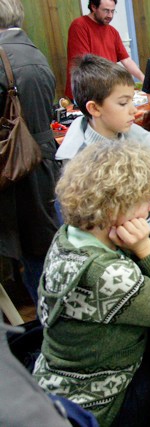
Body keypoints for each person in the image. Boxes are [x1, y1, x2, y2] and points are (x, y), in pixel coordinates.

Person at [33, 141, 150, 426]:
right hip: (98, 404)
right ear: (114, 206)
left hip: (56, 382)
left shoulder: (70, 235)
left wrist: (142, 247)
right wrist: (146, 248)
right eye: (146, 199)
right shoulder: (106, 274)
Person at [56, 54, 150, 246]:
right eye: (122, 103)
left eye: (132, 101)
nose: (133, 111)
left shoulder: (143, 142)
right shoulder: (77, 161)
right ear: (94, 108)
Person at [0, 0, 61, 302]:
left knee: (28, 246)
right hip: (39, 157)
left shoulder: (3, 56)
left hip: (12, 163)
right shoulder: (35, 53)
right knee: (40, 243)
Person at [65, 0, 144, 100]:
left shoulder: (112, 31)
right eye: (106, 11)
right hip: (86, 93)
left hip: (106, 91)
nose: (110, 15)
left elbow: (126, 60)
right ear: (94, 7)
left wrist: (143, 79)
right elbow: (84, 66)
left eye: (112, 11)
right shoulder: (79, 26)